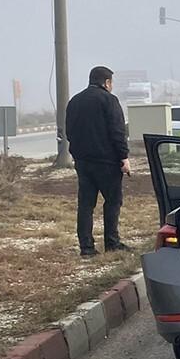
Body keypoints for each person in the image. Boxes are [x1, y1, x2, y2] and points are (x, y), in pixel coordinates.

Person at [65, 65, 130, 257]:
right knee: (113, 201)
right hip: (107, 162)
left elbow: (69, 132)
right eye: (111, 82)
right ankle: (112, 242)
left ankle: (86, 247)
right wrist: (124, 157)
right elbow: (117, 132)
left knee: (85, 204)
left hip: (83, 162)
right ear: (107, 82)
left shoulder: (74, 101)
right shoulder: (109, 100)